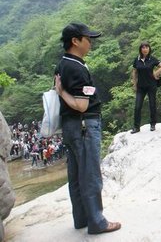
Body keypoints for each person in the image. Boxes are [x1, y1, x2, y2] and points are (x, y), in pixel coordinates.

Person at [54, 22, 121, 234]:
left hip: (71, 127)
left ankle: (81, 218)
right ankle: (97, 222)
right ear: (75, 41)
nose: (90, 42)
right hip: (84, 125)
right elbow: (81, 104)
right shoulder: (76, 67)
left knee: (75, 174)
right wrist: (62, 93)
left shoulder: (63, 64)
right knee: (90, 173)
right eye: (87, 38)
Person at [131, 42, 161, 133]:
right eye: (143, 47)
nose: (145, 49)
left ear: (149, 49)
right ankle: (136, 127)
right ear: (140, 49)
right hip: (140, 86)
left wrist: (155, 73)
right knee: (137, 106)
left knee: (152, 104)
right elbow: (134, 72)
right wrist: (134, 84)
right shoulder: (137, 60)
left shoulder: (152, 59)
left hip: (151, 85)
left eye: (147, 47)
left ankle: (153, 124)